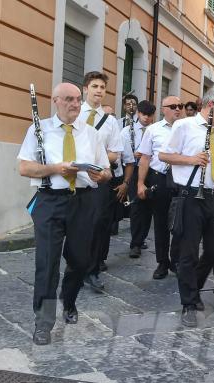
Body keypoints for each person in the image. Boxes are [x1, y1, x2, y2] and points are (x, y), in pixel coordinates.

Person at [18, 82, 111, 345]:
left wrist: (100, 174)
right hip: (50, 201)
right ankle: (44, 322)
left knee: (82, 260)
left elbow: (107, 172)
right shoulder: (39, 130)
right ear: (55, 100)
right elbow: (24, 168)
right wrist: (56, 169)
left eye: (78, 99)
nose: (75, 104)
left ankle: (68, 300)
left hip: (83, 201)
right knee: (47, 264)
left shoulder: (91, 133)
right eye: (69, 99)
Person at [159, 87, 214, 327]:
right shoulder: (185, 126)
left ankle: (196, 284)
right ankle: (189, 303)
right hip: (191, 196)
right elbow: (164, 156)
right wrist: (191, 159)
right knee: (188, 253)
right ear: (211, 106)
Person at [78, 71, 123, 290]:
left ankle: (93, 270)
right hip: (74, 179)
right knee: (75, 225)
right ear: (85, 89)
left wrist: (98, 156)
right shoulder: (74, 114)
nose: (99, 91)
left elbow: (116, 153)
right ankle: (75, 267)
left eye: (102, 88)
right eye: (95, 86)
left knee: (97, 226)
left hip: (99, 179)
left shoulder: (111, 122)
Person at [140, 96, 183, 279]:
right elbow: (145, 158)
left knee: (181, 223)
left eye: (179, 106)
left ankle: (176, 260)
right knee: (160, 223)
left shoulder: (187, 128)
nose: (177, 109)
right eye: (173, 106)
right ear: (163, 109)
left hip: (181, 180)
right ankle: (162, 262)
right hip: (160, 178)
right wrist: (140, 183)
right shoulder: (152, 130)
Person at [122, 100, 156, 258]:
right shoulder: (128, 131)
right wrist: (133, 154)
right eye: (144, 115)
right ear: (138, 113)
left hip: (151, 171)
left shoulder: (155, 130)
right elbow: (122, 152)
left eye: (150, 115)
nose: (146, 118)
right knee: (136, 207)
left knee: (148, 207)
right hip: (135, 169)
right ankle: (135, 243)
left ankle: (141, 238)